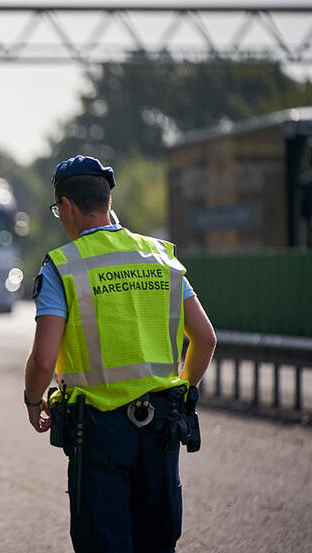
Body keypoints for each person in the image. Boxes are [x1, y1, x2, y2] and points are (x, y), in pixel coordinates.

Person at [23, 155, 217, 553]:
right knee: (157, 543)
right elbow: (205, 338)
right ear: (108, 202)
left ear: (67, 207)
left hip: (98, 433)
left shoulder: (63, 266)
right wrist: (183, 394)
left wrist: (32, 399)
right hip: (162, 425)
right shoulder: (160, 256)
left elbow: (44, 359)